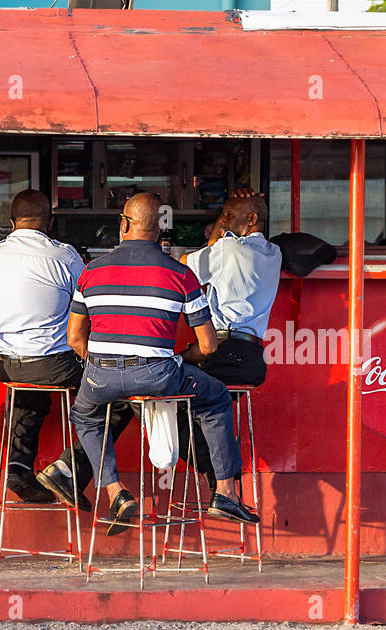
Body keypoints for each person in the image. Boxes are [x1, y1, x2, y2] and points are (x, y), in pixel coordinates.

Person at [67, 192, 260, 530]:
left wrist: (101, 366)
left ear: (124, 224)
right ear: (160, 229)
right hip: (159, 375)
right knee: (215, 398)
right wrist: (177, 360)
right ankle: (226, 492)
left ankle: (116, 493)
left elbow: (75, 338)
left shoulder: (90, 272)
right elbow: (209, 345)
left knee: (85, 417)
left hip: (101, 377)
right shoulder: (179, 273)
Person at [0, 189, 103, 510]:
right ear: (49, 221)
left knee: (32, 390)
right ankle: (69, 469)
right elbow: (88, 302)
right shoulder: (64, 257)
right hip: (53, 365)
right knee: (116, 390)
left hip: (5, 365)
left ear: (10, 222)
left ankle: (19, 468)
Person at [179, 192, 282, 487]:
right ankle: (223, 478)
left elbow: (184, 267)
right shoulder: (275, 253)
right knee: (204, 410)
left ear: (251, 219)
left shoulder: (226, 249)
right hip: (252, 361)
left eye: (227, 215)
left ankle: (221, 471)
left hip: (221, 354)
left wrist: (217, 236)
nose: (221, 223)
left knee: (160, 395)